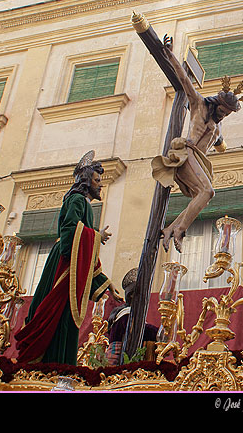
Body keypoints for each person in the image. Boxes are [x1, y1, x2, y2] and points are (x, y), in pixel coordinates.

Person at [150, 34, 243, 254]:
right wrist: (169, 54)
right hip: (185, 154)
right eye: (222, 111)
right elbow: (183, 79)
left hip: (197, 161)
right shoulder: (199, 105)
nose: (223, 116)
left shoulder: (218, 127)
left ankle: (171, 228)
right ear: (217, 103)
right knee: (207, 192)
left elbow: (220, 144)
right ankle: (181, 229)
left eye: (228, 114)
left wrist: (221, 144)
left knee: (201, 197)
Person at [15, 151, 122, 365]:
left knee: (63, 316)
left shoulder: (83, 203)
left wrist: (106, 284)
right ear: (86, 181)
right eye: (97, 180)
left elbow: (82, 246)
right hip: (65, 262)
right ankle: (54, 365)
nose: (101, 185)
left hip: (71, 260)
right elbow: (69, 232)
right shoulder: (76, 199)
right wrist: (95, 235)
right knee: (59, 315)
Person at [105, 268, 157, 365]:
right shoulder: (125, 314)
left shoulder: (128, 314)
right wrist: (160, 332)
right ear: (132, 296)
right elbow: (138, 328)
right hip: (117, 361)